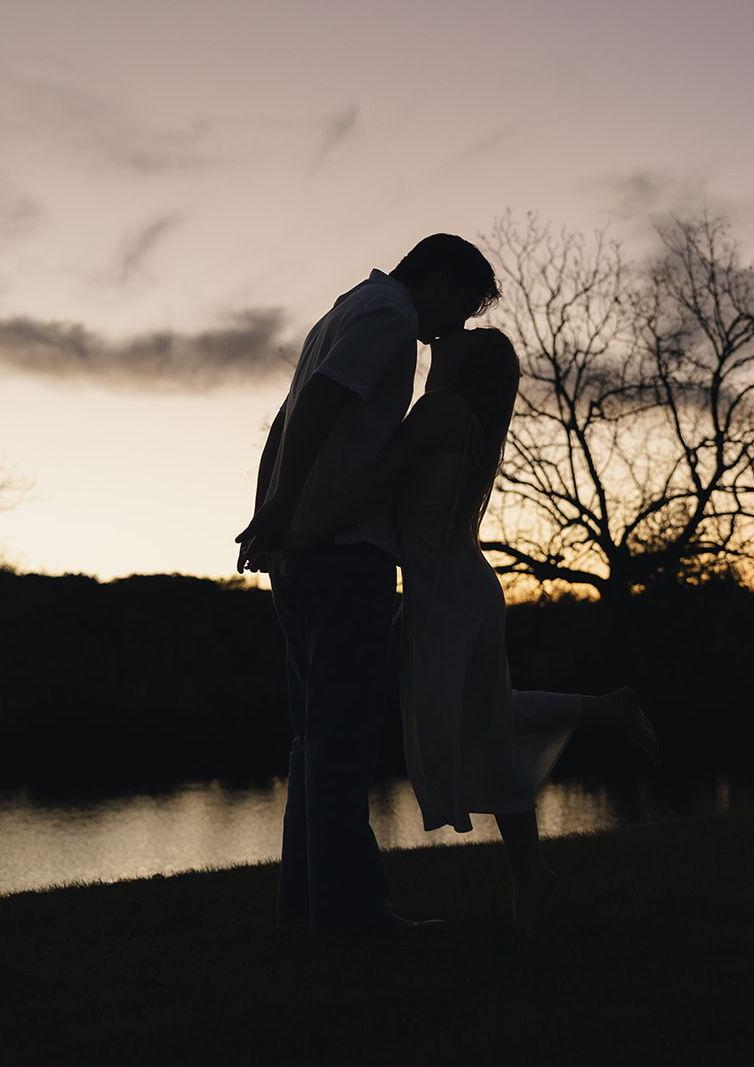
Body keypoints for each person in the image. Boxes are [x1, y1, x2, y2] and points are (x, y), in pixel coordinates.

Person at [288, 326, 662, 932]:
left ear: (467, 364)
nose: (447, 334)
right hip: (452, 592)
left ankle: (533, 865)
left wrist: (302, 526)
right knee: (486, 720)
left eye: (461, 338)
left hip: (452, 597)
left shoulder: (440, 411)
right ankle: (599, 723)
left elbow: (378, 480)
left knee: (476, 728)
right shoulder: (460, 418)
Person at [235, 234, 501, 937]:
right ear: (440, 282)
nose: (450, 330)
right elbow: (318, 403)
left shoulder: (347, 309)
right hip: (343, 552)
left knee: (312, 742)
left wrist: (273, 513)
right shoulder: (389, 315)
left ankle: (308, 909)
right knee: (340, 745)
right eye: (460, 308)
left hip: (304, 548)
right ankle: (351, 919)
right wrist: (280, 508)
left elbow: (291, 416)